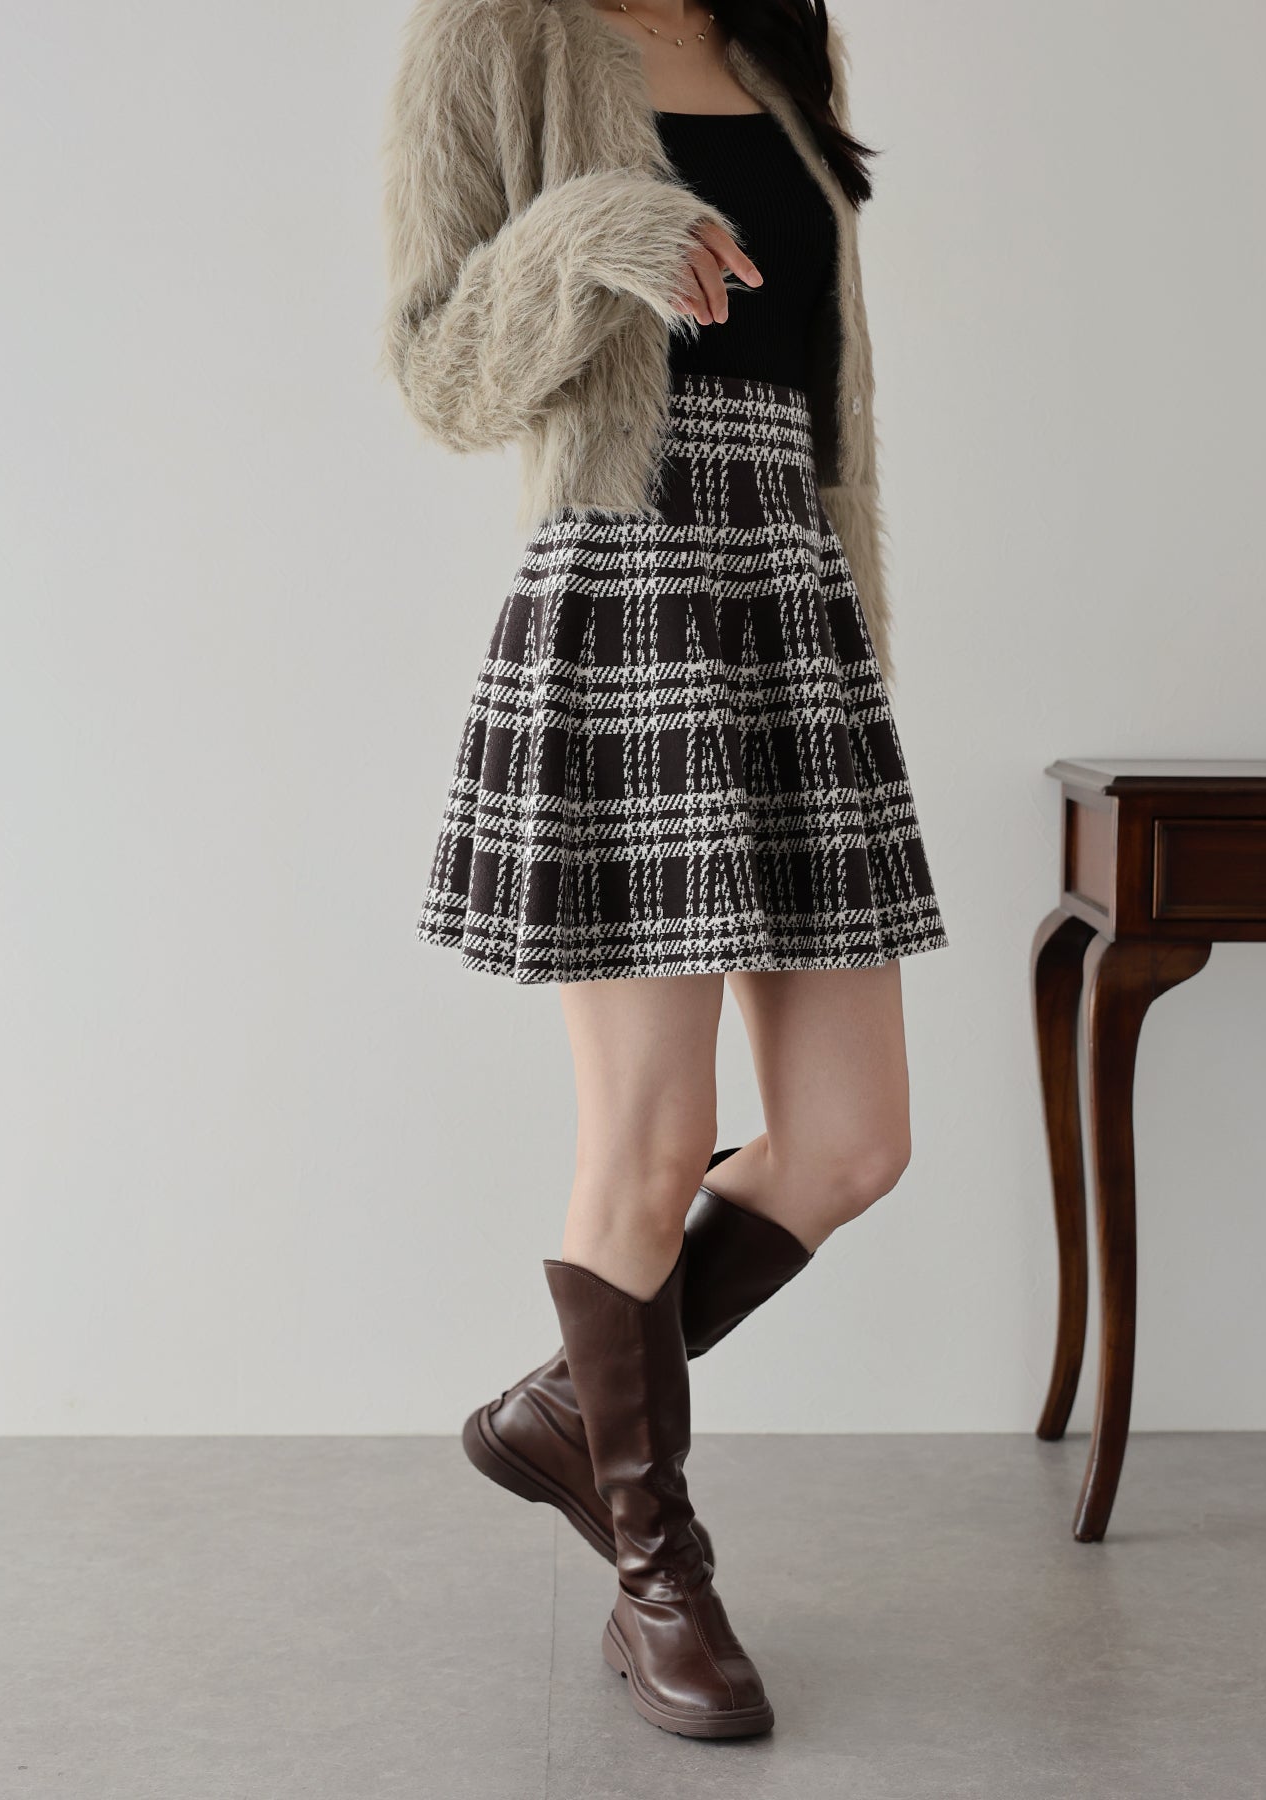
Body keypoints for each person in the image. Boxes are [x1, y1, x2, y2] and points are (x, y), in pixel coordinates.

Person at [380, 0, 949, 1740]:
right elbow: (439, 378)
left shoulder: (783, 38)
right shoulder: (496, 34)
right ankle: (656, 1572)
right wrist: (587, 227)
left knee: (852, 1143)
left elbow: (824, 379)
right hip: (625, 582)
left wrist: (851, 623)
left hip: (792, 594)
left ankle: (573, 1409)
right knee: (643, 1137)